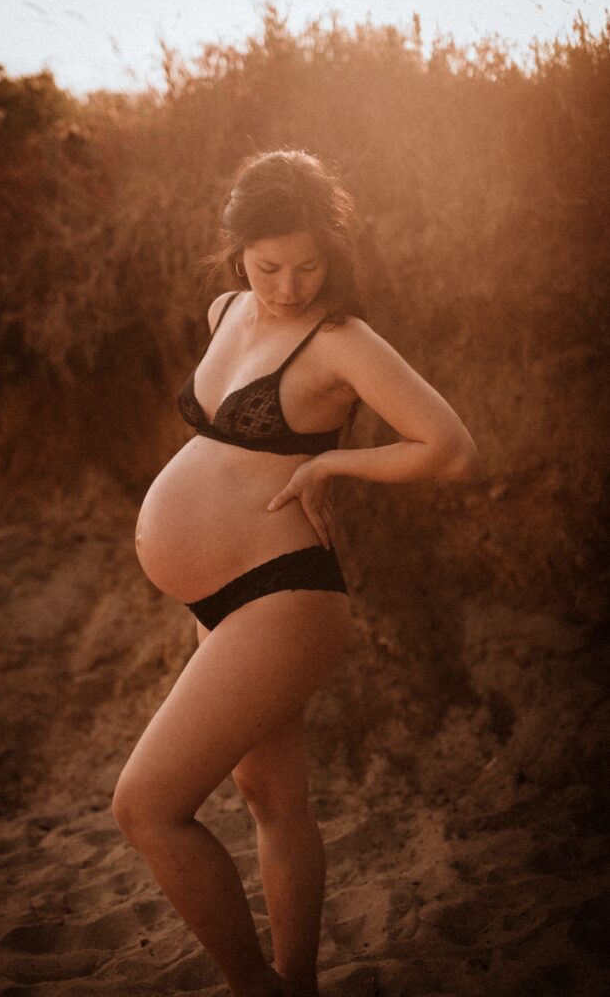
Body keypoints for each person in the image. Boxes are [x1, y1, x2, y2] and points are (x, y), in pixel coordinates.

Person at [112, 149, 478, 997]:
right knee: (271, 799)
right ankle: (298, 982)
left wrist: (328, 469)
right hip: (219, 598)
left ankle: (256, 987)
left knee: (146, 807)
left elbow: (451, 448)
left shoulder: (342, 341)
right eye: (268, 265)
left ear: (333, 253)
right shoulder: (226, 311)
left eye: (308, 265)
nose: (287, 286)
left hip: (283, 597)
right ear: (237, 250)